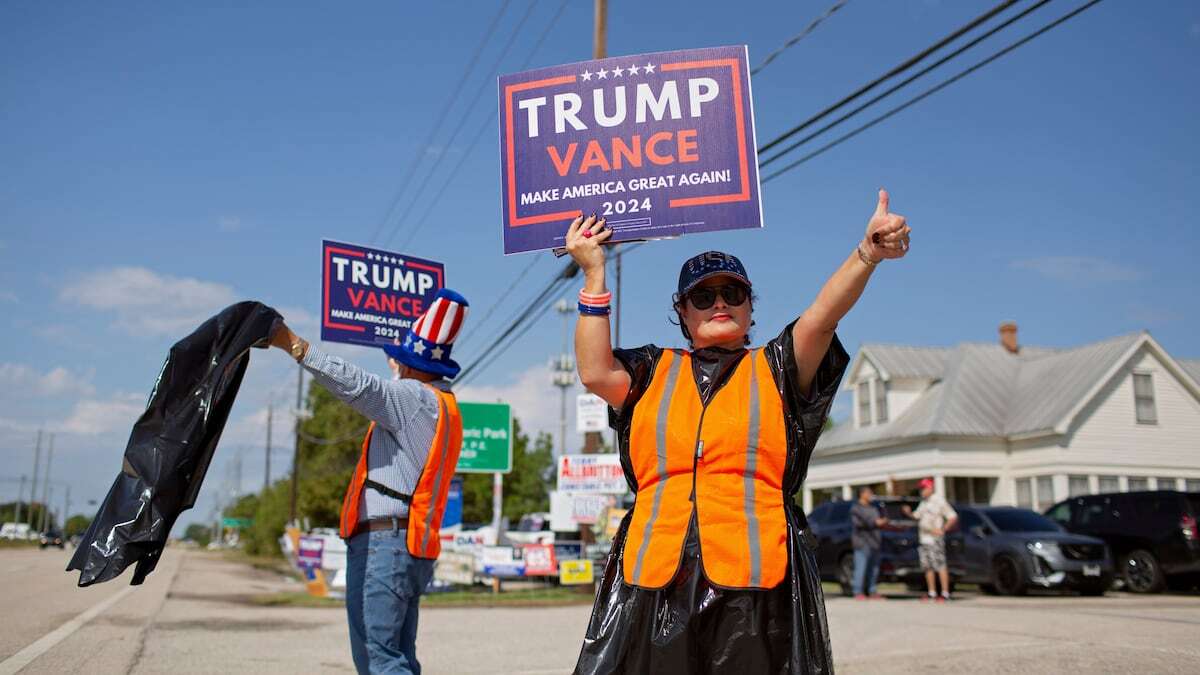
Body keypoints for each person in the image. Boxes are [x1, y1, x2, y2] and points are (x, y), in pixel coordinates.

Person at [567, 190, 911, 673]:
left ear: (750, 307)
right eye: (703, 296)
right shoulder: (650, 371)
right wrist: (594, 275)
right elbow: (594, 371)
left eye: (734, 293)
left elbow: (823, 315)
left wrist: (866, 254)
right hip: (654, 578)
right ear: (683, 312)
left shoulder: (777, 368)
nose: (719, 303)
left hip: (756, 587)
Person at [268, 288, 469, 675]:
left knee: (380, 661)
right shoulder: (441, 404)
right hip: (405, 543)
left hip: (384, 544)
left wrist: (293, 344)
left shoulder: (413, 397)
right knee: (397, 657)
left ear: (411, 364)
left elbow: (358, 385)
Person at [903, 477, 958, 603]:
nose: (921, 491)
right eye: (921, 488)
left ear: (930, 488)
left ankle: (944, 593)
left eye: (923, 488)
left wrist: (943, 529)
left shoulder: (939, 501)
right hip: (924, 538)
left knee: (940, 565)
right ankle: (931, 593)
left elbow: (952, 516)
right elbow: (917, 516)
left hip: (935, 538)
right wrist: (908, 513)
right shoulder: (924, 503)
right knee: (927, 566)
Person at [850, 486, 888, 600]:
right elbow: (862, 523)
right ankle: (858, 592)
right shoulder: (856, 508)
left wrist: (883, 521)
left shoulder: (873, 508)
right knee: (860, 568)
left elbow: (879, 520)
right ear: (862, 494)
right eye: (869, 493)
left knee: (874, 569)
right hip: (862, 542)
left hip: (875, 542)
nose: (871, 495)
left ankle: (872, 591)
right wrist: (876, 522)